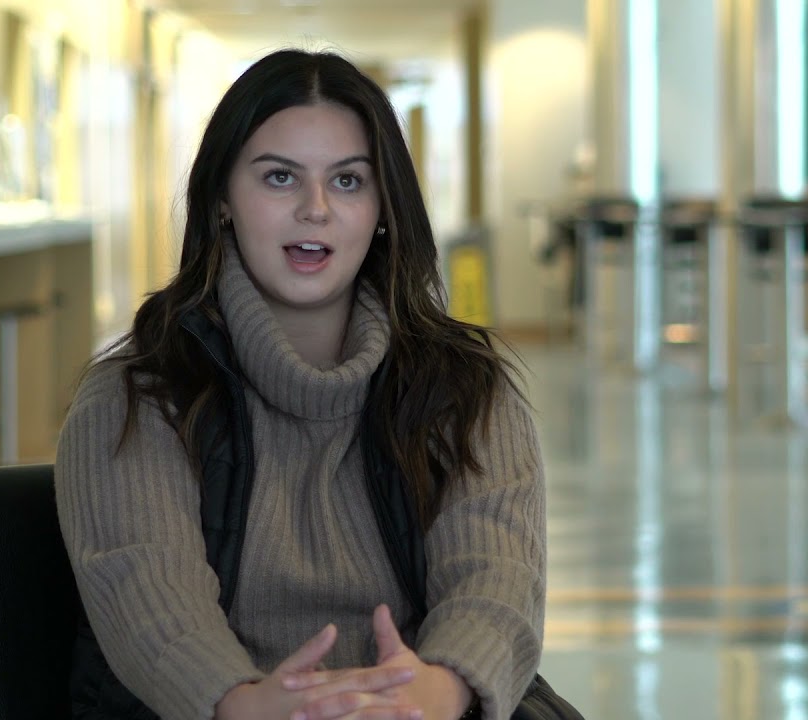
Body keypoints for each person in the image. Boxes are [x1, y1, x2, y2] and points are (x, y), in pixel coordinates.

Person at [55, 48, 546, 720]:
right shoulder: (138, 396)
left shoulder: (466, 389)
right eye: (280, 177)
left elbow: (497, 578)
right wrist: (246, 703)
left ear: (382, 208)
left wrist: (433, 693)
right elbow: (148, 592)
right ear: (223, 199)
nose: (315, 209)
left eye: (347, 182)